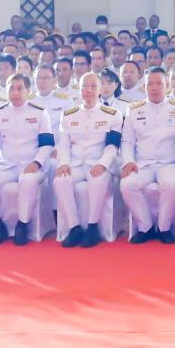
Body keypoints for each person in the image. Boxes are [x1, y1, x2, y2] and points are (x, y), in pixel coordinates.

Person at [0, 74, 54, 245]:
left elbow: (47, 144)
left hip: (32, 165)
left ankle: (22, 225)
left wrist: (36, 163)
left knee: (27, 181)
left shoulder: (39, 112)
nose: (15, 92)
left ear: (28, 91)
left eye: (20, 88)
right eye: (11, 88)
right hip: (8, 165)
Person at [52, 73, 121, 248]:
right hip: (75, 163)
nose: (88, 90)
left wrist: (102, 164)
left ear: (100, 90)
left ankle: (92, 227)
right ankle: (74, 227)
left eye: (93, 86)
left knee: (97, 180)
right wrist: (64, 163)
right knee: (60, 181)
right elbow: (63, 144)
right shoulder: (68, 115)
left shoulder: (112, 114)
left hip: (98, 162)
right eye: (84, 86)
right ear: (79, 89)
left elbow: (113, 145)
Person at [122, 69, 175, 244]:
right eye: (150, 84)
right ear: (144, 87)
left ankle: (163, 228)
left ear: (167, 86)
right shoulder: (133, 110)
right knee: (127, 185)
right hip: (143, 163)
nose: (154, 87)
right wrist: (129, 161)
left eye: (159, 83)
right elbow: (127, 141)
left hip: (170, 163)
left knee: (172, 185)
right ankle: (145, 227)